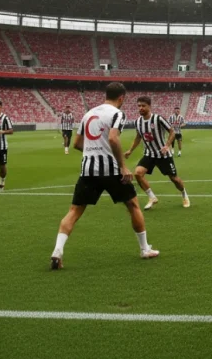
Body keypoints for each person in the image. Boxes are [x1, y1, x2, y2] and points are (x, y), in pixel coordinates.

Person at [49, 82, 159, 269]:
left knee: (74, 211)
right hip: (111, 170)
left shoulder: (88, 114)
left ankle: (57, 250)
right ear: (121, 98)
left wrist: (94, 151)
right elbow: (113, 138)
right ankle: (144, 249)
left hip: (88, 170)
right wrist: (123, 166)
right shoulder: (117, 114)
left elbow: (76, 144)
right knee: (133, 205)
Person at [126, 96, 190, 209]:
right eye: (139, 106)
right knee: (138, 173)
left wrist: (166, 146)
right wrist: (130, 150)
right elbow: (138, 137)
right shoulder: (138, 122)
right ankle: (152, 197)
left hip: (163, 154)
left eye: (143, 106)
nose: (140, 108)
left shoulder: (158, 119)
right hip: (149, 154)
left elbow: (172, 131)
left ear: (149, 106)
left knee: (174, 179)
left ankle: (184, 194)